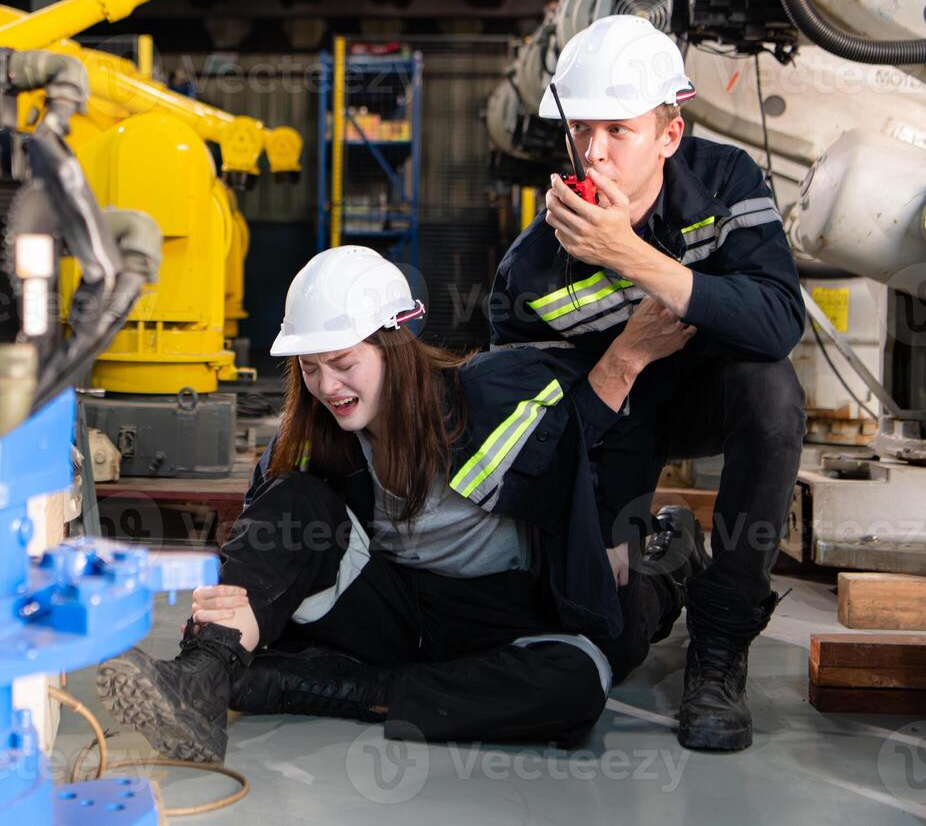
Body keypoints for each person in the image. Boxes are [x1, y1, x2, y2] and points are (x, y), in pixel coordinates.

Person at [96, 245, 704, 763]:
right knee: (294, 499)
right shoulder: (313, 435)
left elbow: (595, 425)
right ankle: (200, 682)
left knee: (584, 676)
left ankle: (674, 553)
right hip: (396, 606)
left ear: (395, 346)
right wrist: (235, 602)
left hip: (511, 613)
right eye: (310, 368)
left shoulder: (487, 397)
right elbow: (268, 533)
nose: (328, 386)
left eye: (343, 363)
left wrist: (612, 522)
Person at [487, 14, 807, 752]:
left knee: (773, 394)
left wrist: (632, 258)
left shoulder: (725, 183)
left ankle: (721, 644)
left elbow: (778, 320)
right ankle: (670, 560)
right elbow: (527, 429)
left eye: (618, 131)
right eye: (581, 132)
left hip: (706, 397)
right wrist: (594, 527)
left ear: (669, 133)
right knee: (607, 638)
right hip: (612, 427)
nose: (593, 155)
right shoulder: (530, 269)